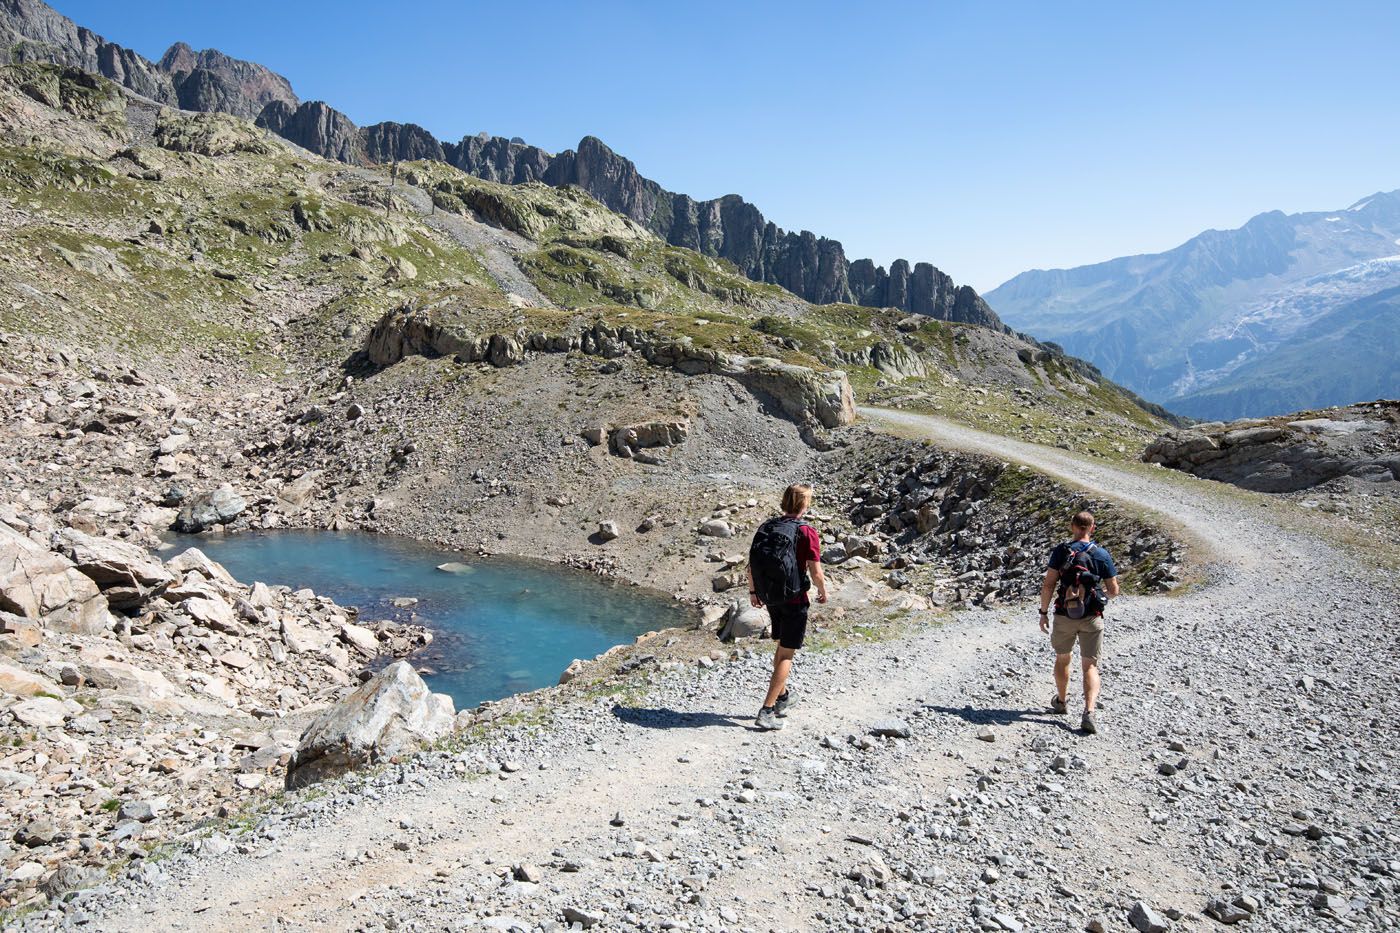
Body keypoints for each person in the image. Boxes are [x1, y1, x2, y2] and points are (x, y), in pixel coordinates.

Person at [746, 483, 827, 731]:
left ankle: (783, 698)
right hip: (794, 598)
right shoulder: (806, 531)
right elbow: (816, 571)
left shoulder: (768, 527)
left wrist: (753, 591)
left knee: (781, 648)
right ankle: (767, 710)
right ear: (804, 504)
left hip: (772, 597)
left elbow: (750, 564)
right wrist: (823, 591)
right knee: (787, 654)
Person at [1038, 510, 1119, 734]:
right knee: (1090, 665)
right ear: (1092, 528)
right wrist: (1097, 593)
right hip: (1092, 616)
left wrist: (1043, 612)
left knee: (1063, 657)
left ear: (1072, 526)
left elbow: (1048, 585)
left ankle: (1062, 702)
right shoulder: (1101, 554)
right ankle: (1089, 712)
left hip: (1064, 614)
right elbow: (1114, 591)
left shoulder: (1062, 552)